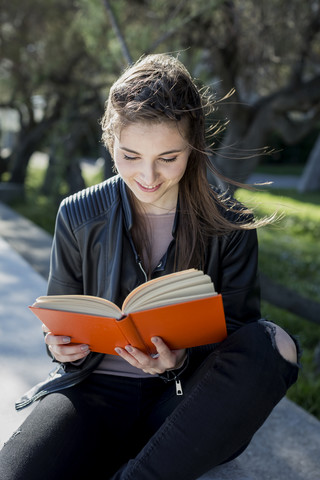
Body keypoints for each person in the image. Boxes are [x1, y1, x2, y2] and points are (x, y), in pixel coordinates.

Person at [0, 54, 299, 480]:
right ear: (110, 140)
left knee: (273, 343)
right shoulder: (77, 214)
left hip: (180, 401)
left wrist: (177, 363)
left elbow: (234, 341)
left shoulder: (230, 224)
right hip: (90, 395)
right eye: (131, 155)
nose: (148, 175)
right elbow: (59, 320)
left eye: (168, 157)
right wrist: (57, 347)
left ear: (193, 144)